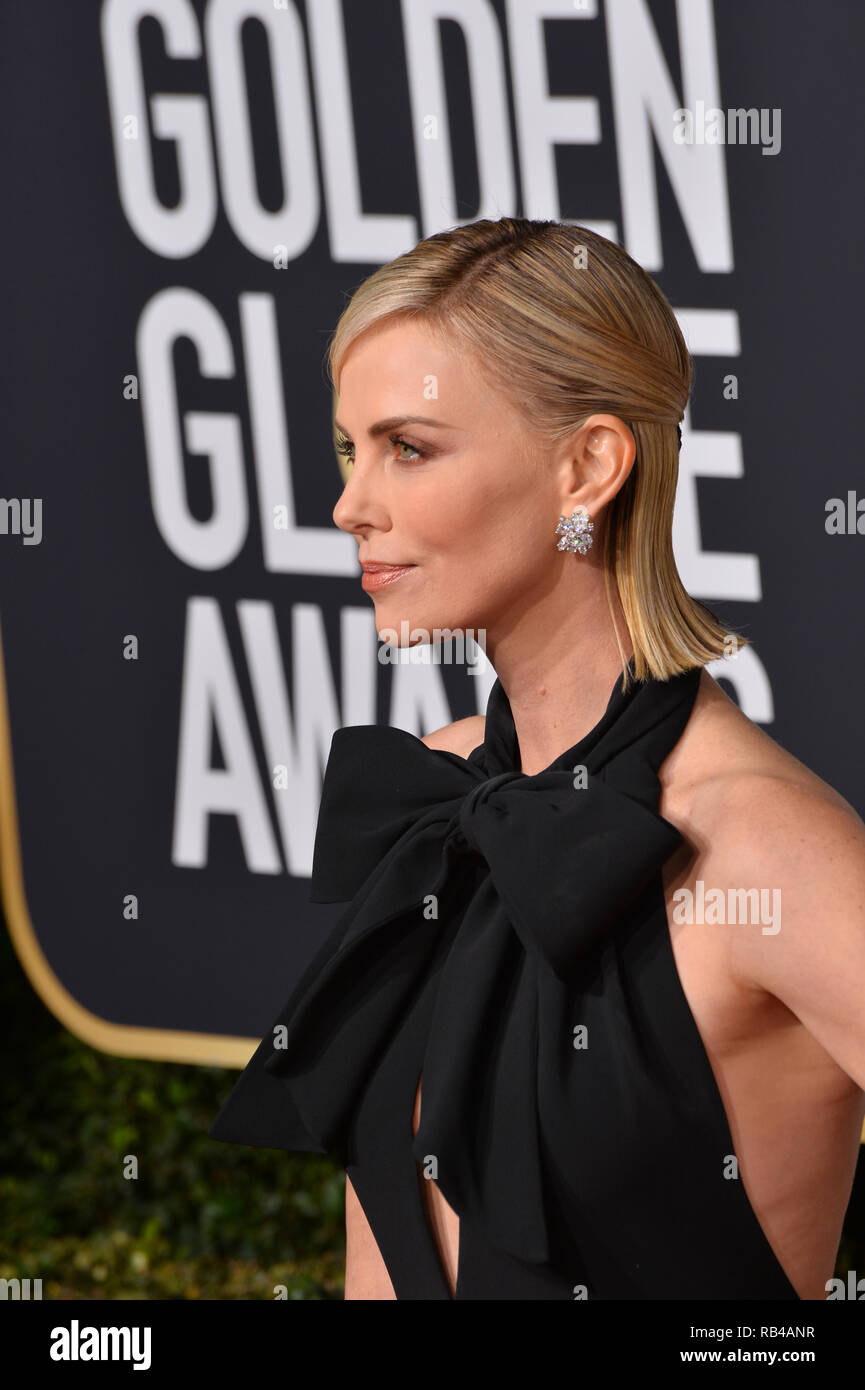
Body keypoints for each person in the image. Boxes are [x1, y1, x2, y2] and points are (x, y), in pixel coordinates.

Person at [210, 217, 865, 1301]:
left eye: (408, 448)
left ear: (588, 466)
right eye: (348, 448)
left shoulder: (761, 848)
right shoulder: (438, 796)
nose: (348, 506)